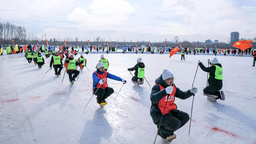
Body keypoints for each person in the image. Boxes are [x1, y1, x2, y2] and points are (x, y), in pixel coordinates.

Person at [150, 69, 197, 142]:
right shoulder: (157, 87)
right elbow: (153, 98)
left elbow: (182, 95)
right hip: (159, 114)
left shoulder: (173, 87)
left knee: (185, 117)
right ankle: (163, 132)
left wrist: (190, 92)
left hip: (170, 111)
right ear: (164, 80)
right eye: (169, 79)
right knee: (176, 123)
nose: (171, 81)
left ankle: (165, 131)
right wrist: (164, 92)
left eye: (172, 79)